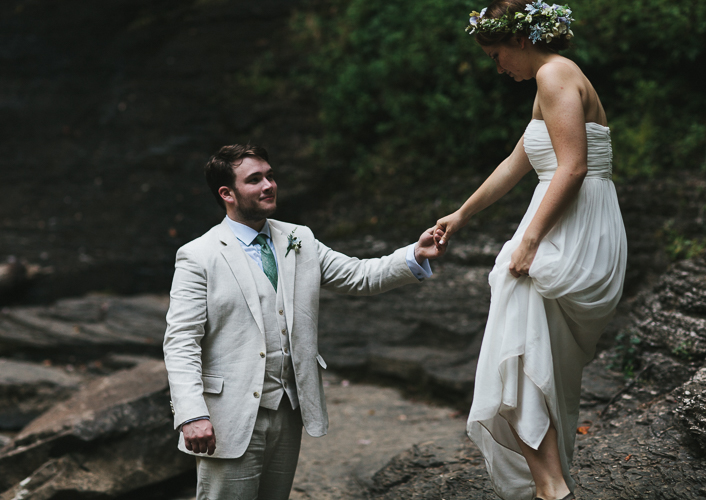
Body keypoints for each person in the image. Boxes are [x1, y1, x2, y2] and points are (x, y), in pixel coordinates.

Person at [163, 144, 446, 500]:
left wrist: (415, 254)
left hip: (288, 410)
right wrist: (191, 415)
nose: (269, 185)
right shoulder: (198, 255)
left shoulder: (300, 239)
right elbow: (181, 341)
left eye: (269, 175)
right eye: (255, 180)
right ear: (227, 194)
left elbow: (359, 275)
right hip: (227, 417)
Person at [434, 2, 627, 499]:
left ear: (520, 41)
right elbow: (518, 160)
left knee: (515, 341)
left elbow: (572, 167)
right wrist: (461, 214)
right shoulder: (552, 79)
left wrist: (530, 241)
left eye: (497, 55)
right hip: (572, 220)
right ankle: (551, 483)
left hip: (571, 225)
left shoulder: (555, 74)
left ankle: (550, 487)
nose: (498, 68)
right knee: (531, 351)